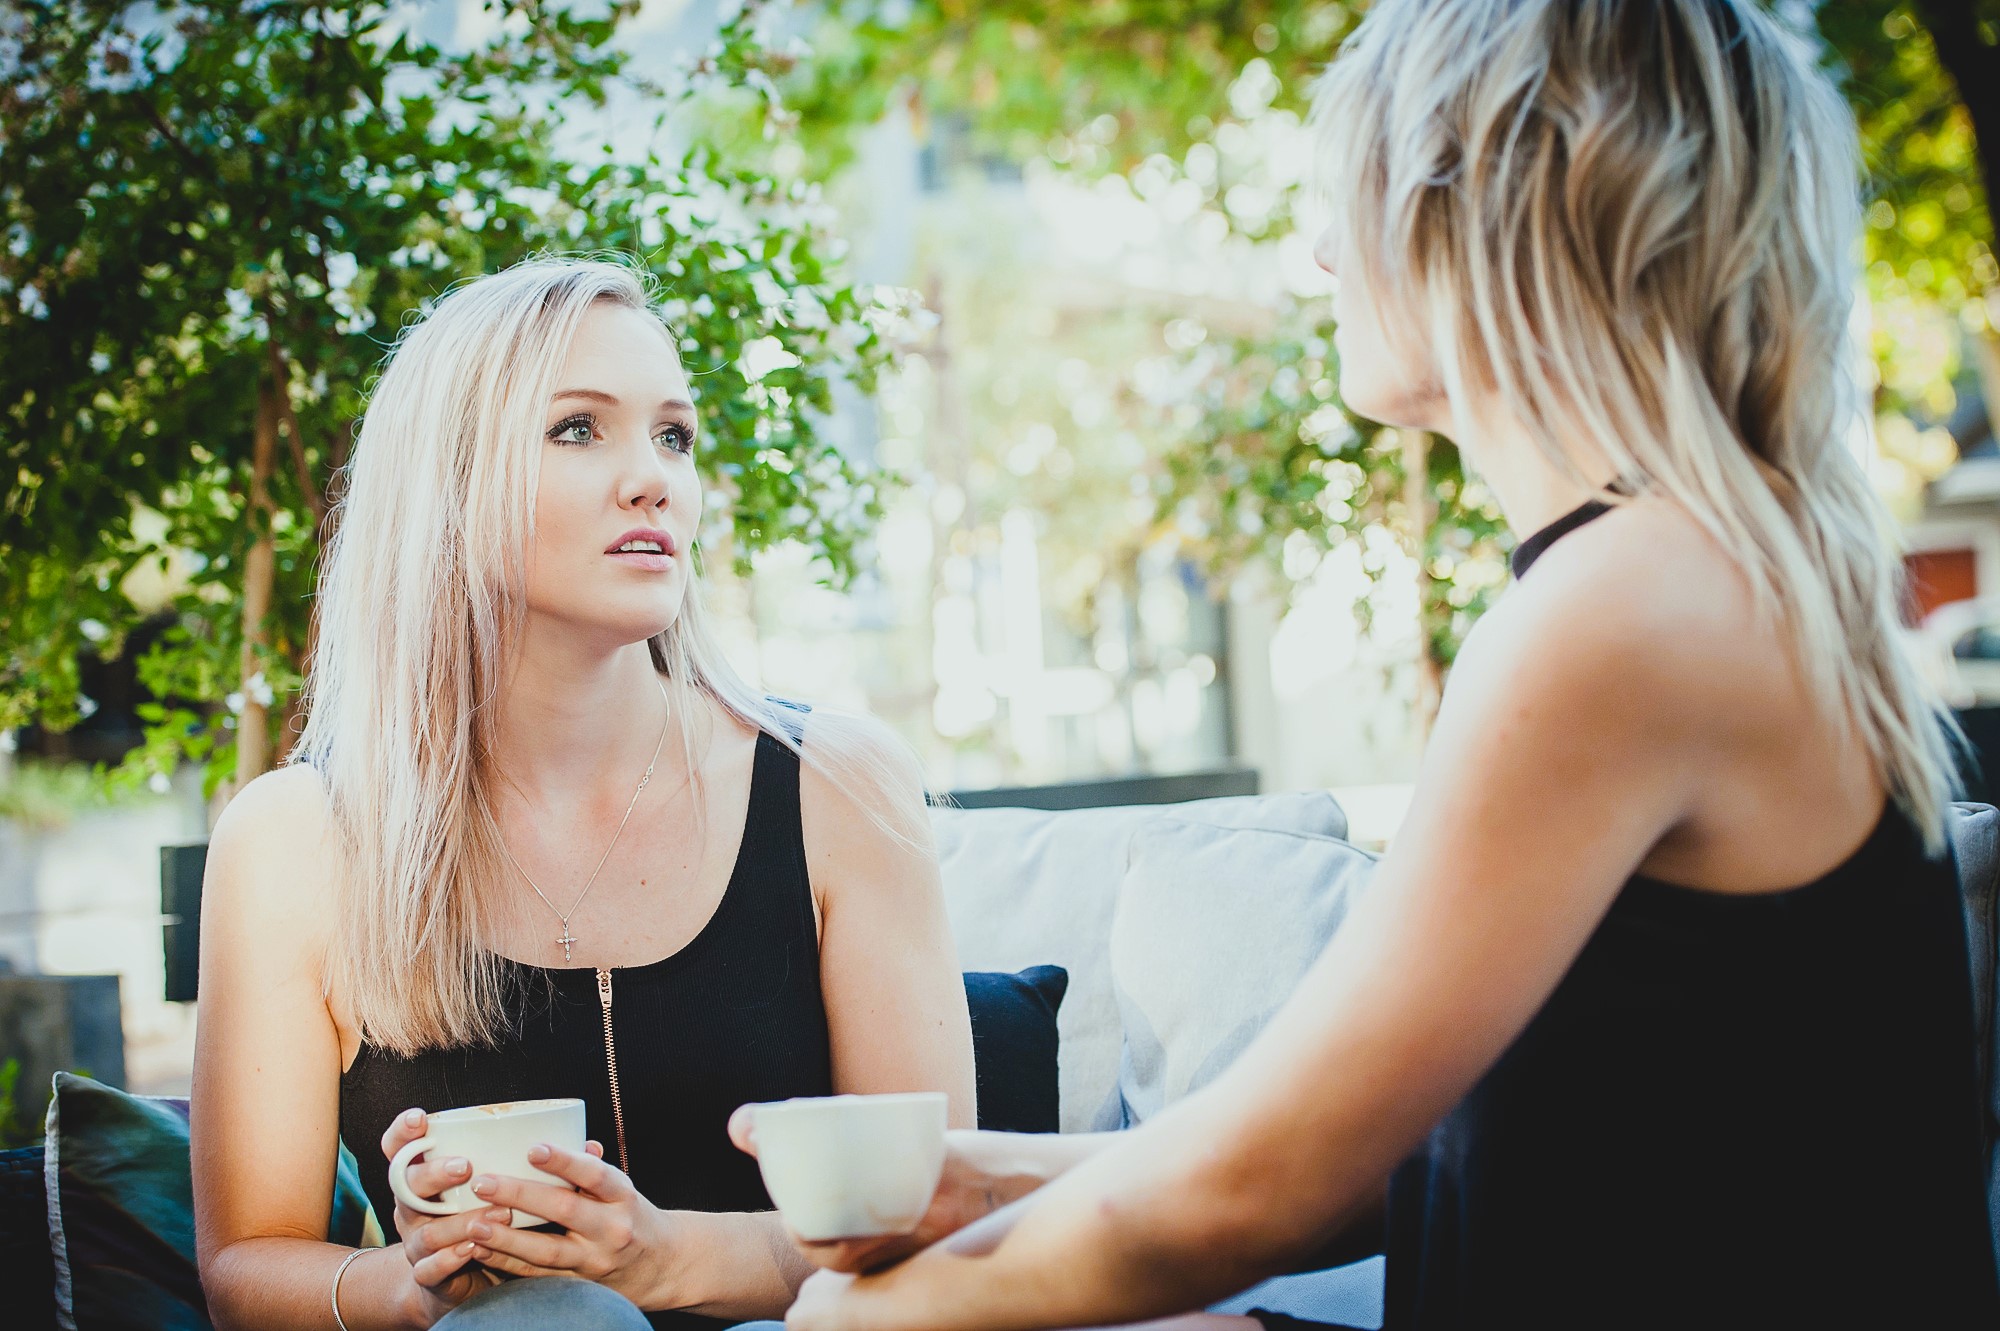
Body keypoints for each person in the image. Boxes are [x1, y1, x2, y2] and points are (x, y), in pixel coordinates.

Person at [736, 2, 2000, 1328]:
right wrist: (981, 1178)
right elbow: (1406, 1147)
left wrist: (864, 1318)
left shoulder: (1629, 606)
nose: (1328, 250)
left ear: (1491, 209)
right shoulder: (1709, 565)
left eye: (1356, 194)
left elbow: (1264, 1187)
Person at [191, 256, 977, 1331]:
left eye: (673, 435)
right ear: (448, 483)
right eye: (578, 428)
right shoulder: (294, 841)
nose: (653, 477)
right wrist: (411, 1281)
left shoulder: (841, 783)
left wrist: (667, 1258)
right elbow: (246, 1263)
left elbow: (936, 1220)